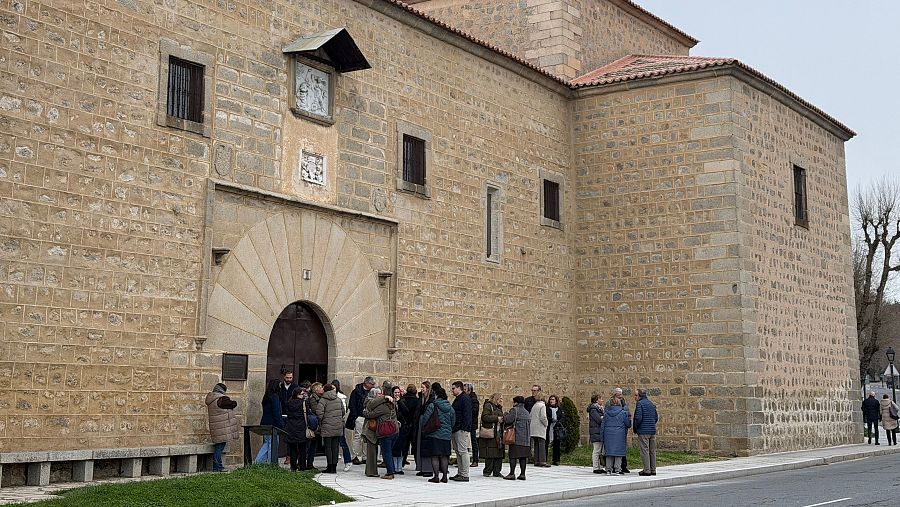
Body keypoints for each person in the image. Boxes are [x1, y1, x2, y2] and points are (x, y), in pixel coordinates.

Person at [420, 383, 455, 483]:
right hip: (446, 436)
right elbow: (453, 421)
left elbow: (425, 418)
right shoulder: (450, 408)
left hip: (434, 434)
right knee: (444, 456)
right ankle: (444, 476)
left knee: (434, 456)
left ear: (437, 395)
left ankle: (436, 476)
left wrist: (424, 427)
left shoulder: (433, 405)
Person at [363, 387, 400, 480]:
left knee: (386, 452)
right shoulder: (393, 404)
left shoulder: (383, 406)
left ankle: (390, 473)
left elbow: (370, 415)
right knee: (389, 452)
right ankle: (391, 470)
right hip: (394, 430)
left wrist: (364, 412)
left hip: (385, 431)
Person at [206, 382, 239, 472]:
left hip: (216, 427)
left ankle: (217, 467)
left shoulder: (211, 399)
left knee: (218, 446)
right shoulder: (221, 399)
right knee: (219, 447)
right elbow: (233, 404)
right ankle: (218, 467)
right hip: (222, 428)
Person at [316, 384, 345, 474]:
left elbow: (319, 413)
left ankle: (329, 467)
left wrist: (323, 420)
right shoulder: (338, 399)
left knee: (328, 447)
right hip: (337, 426)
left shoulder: (323, 400)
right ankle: (334, 467)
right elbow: (343, 411)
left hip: (327, 426)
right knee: (335, 447)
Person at [347, 376, 375, 465]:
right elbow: (352, 404)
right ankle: (355, 456)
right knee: (358, 436)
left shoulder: (372, 392)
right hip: (359, 417)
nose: (373, 385)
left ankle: (365, 456)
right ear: (366, 383)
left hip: (369, 417)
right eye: (372, 384)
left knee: (367, 437)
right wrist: (356, 415)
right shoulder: (356, 391)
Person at [254, 379, 283, 464]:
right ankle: (271, 464)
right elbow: (276, 411)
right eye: (280, 385)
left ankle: (258, 462)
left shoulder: (266, 396)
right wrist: (280, 424)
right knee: (273, 444)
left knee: (267, 443)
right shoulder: (274, 396)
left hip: (265, 422)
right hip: (273, 424)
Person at [599, 397, 631, 474]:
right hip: (619, 434)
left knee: (609, 452)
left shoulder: (606, 413)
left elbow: (602, 426)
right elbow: (628, 424)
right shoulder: (623, 413)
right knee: (618, 452)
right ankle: (617, 469)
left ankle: (608, 469)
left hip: (608, 434)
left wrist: (602, 437)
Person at [503, 395, 531, 480]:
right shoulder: (527, 412)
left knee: (513, 456)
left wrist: (505, 414)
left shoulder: (514, 410)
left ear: (516, 402)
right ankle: (522, 474)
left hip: (516, 437)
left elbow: (508, 420)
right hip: (526, 439)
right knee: (523, 457)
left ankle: (512, 473)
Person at [450, 381, 473, 481]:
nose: (452, 390)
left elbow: (467, 414)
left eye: (453, 388)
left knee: (463, 451)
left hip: (461, 429)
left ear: (459, 388)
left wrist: (464, 428)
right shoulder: (458, 399)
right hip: (456, 428)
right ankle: (460, 472)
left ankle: (465, 474)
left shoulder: (465, 399)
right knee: (458, 452)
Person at [633, 389, 659, 476]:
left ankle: (647, 470)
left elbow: (638, 418)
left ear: (640, 396)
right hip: (652, 430)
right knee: (652, 451)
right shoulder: (651, 403)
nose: (635, 397)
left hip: (643, 430)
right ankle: (653, 469)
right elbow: (656, 417)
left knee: (644, 450)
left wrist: (636, 427)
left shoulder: (640, 404)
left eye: (636, 395)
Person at [478, 393, 505, 477]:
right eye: (500, 398)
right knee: (490, 452)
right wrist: (497, 418)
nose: (501, 400)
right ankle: (487, 470)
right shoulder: (488, 406)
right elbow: (485, 417)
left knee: (499, 452)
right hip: (491, 432)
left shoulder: (499, 408)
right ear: (495, 399)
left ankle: (497, 471)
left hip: (498, 433)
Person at [284, 387, 310, 471]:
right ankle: (302, 467)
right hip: (301, 427)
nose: (303, 396)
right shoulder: (303, 403)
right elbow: (308, 413)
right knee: (302, 448)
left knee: (292, 448)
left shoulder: (289, 402)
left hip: (291, 427)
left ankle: (293, 467)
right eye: (302, 394)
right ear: (297, 395)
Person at [414, 381, 435, 478]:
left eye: (423, 387)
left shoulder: (431, 399)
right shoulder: (421, 398)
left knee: (426, 446)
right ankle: (422, 468)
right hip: (420, 422)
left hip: (427, 424)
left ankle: (428, 469)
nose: (421, 389)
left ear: (427, 388)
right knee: (420, 445)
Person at [332, 379, 353, 471]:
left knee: (342, 441)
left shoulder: (341, 397)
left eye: (334, 387)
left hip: (339, 422)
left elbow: (343, 411)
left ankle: (348, 461)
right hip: (331, 423)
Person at [398, 384, 420, 470]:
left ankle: (402, 463)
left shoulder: (402, 400)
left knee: (404, 446)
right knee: (415, 446)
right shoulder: (417, 401)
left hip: (404, 424)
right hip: (414, 425)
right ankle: (418, 464)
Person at [305, 382, 324, 471]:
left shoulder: (320, 398)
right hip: (314, 425)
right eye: (321, 388)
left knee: (313, 445)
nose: (322, 389)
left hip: (318, 425)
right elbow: (316, 410)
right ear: (316, 389)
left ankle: (310, 463)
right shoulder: (313, 399)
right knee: (309, 445)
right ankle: (304, 462)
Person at [529, 392, 549, 467]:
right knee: (541, 444)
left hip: (533, 427)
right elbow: (543, 417)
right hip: (540, 427)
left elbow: (530, 416)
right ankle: (542, 461)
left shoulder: (534, 406)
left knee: (536, 444)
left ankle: (536, 460)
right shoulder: (542, 406)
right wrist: (546, 424)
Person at [391, 385, 407, 474]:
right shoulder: (390, 402)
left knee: (401, 448)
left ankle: (399, 467)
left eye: (398, 392)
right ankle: (393, 466)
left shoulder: (403, 401)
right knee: (394, 447)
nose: (397, 394)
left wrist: (399, 402)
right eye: (395, 392)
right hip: (393, 427)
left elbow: (406, 412)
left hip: (402, 427)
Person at [587, 394, 605, 473]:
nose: (602, 400)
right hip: (595, 431)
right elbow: (599, 420)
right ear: (596, 400)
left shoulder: (600, 409)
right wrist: (603, 417)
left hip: (599, 431)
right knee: (597, 450)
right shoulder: (593, 409)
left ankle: (600, 467)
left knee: (600, 451)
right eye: (601, 399)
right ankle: (595, 467)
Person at [546, 394, 564, 466]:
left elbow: (562, 417)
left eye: (553, 399)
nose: (551, 401)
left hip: (556, 428)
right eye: (550, 399)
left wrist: (558, 421)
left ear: (556, 401)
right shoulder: (547, 408)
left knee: (557, 445)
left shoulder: (559, 409)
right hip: (549, 427)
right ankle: (545, 459)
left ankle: (556, 460)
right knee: (546, 443)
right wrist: (551, 419)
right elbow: (546, 416)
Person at [465, 383, 480, 467]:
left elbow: (475, 411)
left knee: (473, 442)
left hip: (471, 424)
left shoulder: (473, 399)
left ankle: (475, 460)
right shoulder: (467, 398)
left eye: (465, 390)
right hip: (467, 423)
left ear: (469, 390)